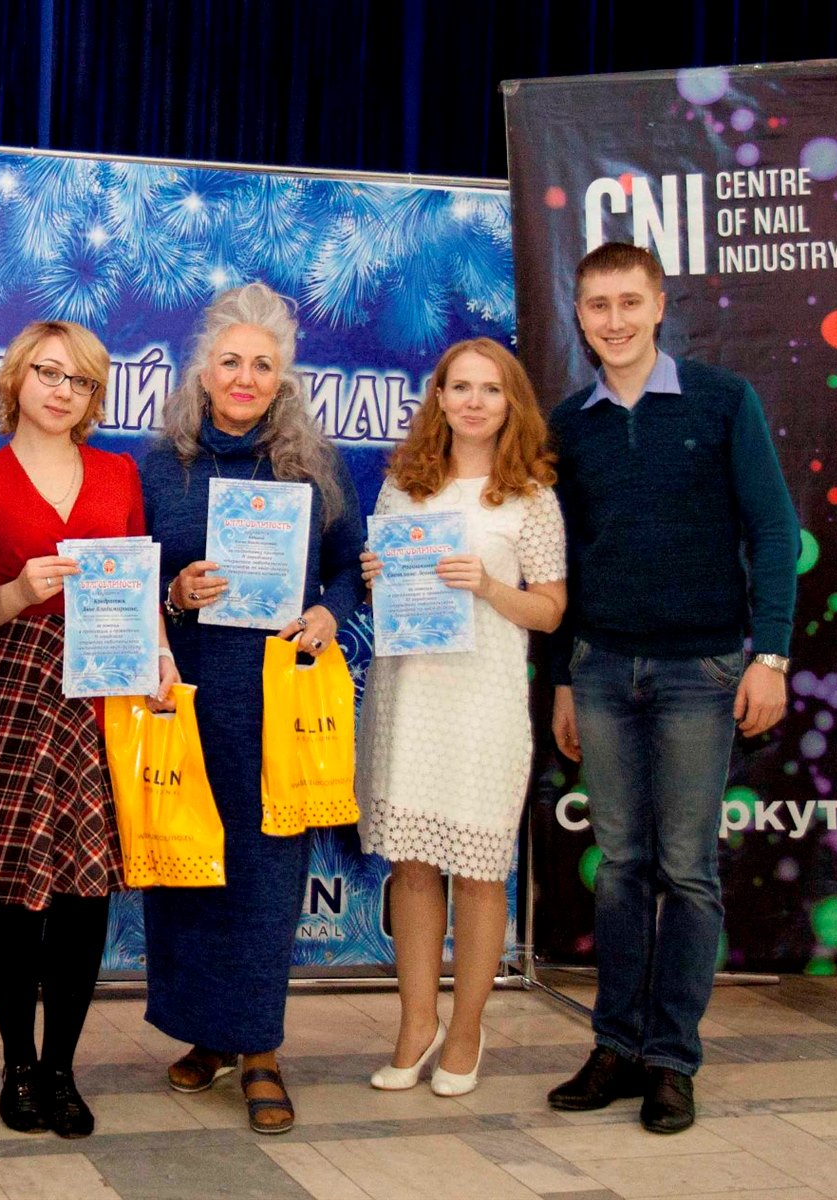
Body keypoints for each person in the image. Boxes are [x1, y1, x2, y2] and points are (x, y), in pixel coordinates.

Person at [544, 241, 798, 1134]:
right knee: (620, 868)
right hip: (601, 670)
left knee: (687, 871)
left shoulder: (724, 400)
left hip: (704, 670)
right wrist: (564, 679)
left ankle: (671, 1062)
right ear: (580, 318)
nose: (613, 320)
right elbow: (560, 562)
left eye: (629, 302)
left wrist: (771, 657)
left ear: (658, 306)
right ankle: (615, 1046)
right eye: (597, 305)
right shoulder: (566, 425)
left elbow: (774, 530)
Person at [140, 282, 363, 1134]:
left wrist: (329, 614)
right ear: (203, 370)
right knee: (191, 864)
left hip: (277, 703)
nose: (244, 377)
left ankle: (260, 1048)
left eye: (262, 365)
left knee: (269, 876)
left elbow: (347, 566)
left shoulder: (315, 464)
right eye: (230, 361)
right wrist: (175, 590)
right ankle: (207, 1033)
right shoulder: (160, 465)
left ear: (283, 378)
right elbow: (130, 579)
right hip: (186, 697)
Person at [0, 320, 178, 1139]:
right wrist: (16, 591)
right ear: (16, 378)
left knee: (85, 889)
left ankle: (61, 1069)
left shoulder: (118, 472)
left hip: (101, 689)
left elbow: (140, 582)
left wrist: (161, 655)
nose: (62, 391)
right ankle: (17, 1066)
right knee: (13, 889)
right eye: (48, 372)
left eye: (79, 380)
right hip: (13, 689)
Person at [354, 338, 566, 1098]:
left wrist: (487, 586)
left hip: (483, 704)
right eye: (461, 387)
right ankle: (416, 1025)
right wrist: (376, 576)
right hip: (408, 696)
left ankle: (467, 1030)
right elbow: (386, 597)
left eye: (491, 389)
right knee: (411, 869)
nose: (474, 401)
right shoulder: (402, 487)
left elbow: (550, 610)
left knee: (478, 874)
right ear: (439, 398)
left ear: (512, 404)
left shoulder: (531, 496)